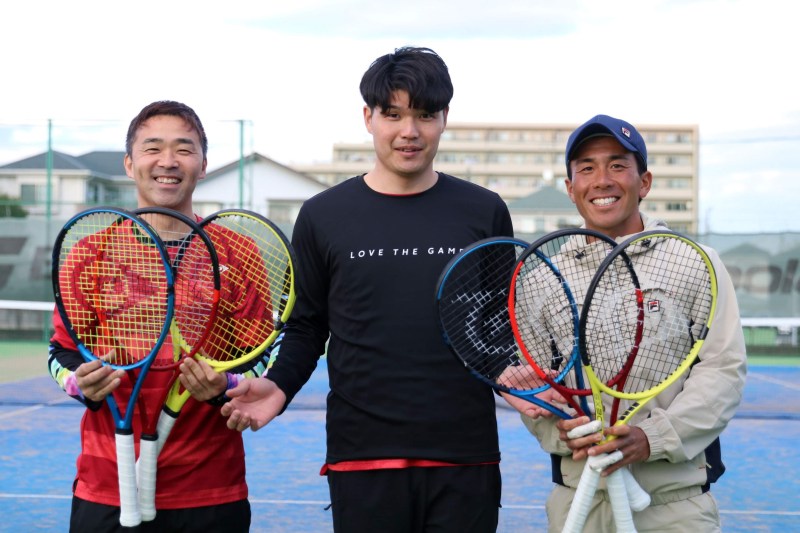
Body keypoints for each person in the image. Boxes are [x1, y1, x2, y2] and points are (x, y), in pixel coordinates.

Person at [221, 46, 513, 532]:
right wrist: (279, 385)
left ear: (444, 118)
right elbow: (306, 326)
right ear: (368, 118)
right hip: (363, 456)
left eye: (424, 115)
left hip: (466, 456)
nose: (409, 131)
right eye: (393, 114)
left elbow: (497, 324)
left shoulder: (485, 211)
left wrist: (514, 377)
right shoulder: (322, 215)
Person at [504, 114, 747, 532]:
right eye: (587, 168)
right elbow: (535, 384)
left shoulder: (696, 263)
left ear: (644, 182)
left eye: (617, 165)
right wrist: (563, 433)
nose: (602, 180)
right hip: (578, 503)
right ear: (571, 189)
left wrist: (654, 438)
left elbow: (723, 369)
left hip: (676, 507)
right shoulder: (543, 278)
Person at [47, 100, 268, 532]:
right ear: (130, 164)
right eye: (152, 148)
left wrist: (226, 385)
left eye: (184, 149)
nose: (168, 161)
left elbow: (261, 354)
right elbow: (60, 353)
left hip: (211, 489)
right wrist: (79, 383)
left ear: (203, 165)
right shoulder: (90, 254)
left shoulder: (238, 253)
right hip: (105, 488)